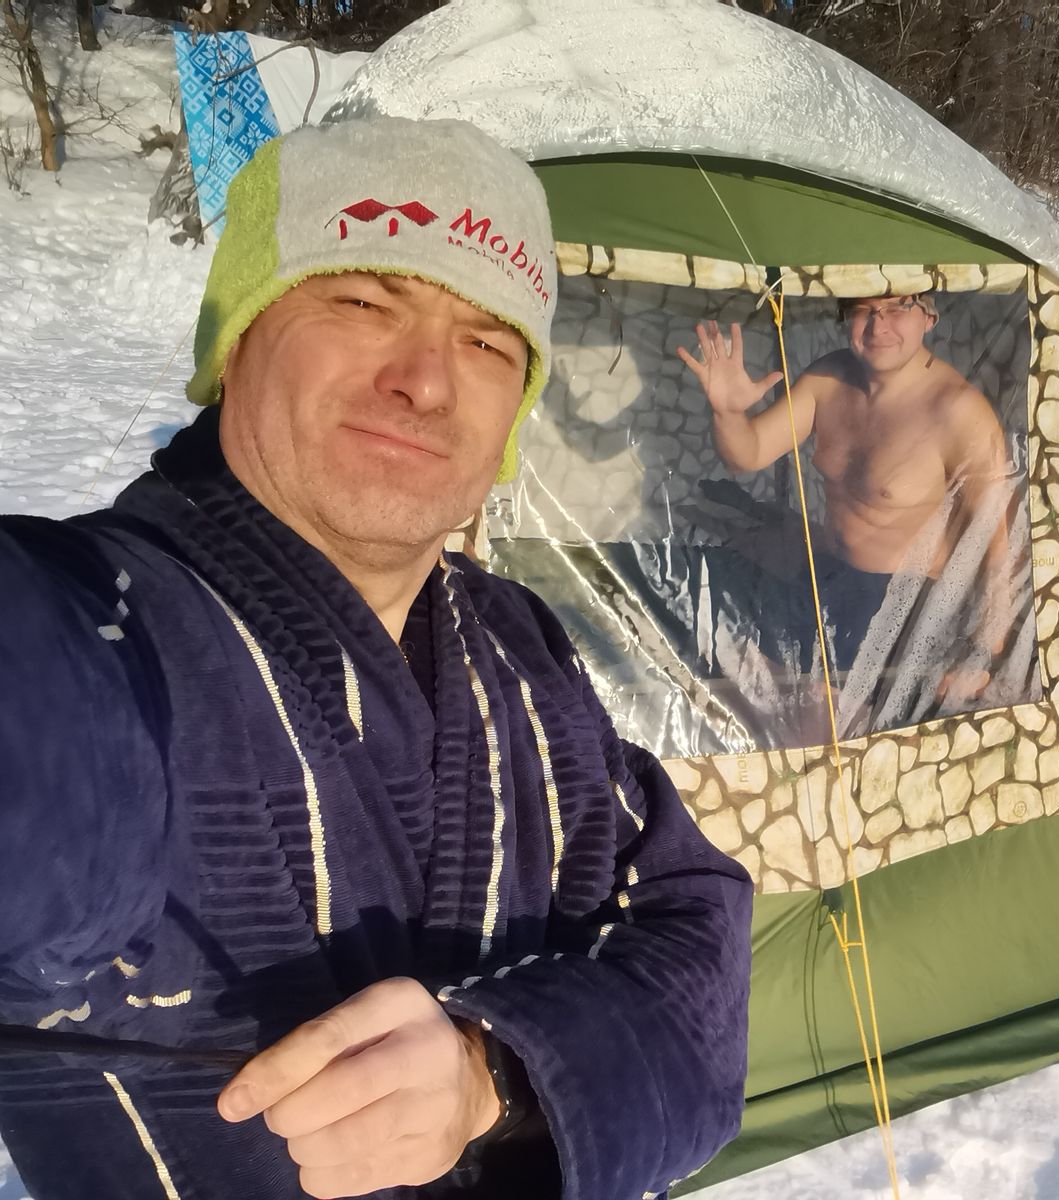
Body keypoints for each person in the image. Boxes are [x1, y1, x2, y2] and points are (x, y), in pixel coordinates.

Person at [0, 117, 751, 1200]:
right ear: (236, 342)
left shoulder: (516, 642)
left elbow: (693, 925)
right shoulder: (112, 632)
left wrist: (499, 1077)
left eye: (487, 344)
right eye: (361, 302)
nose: (426, 383)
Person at [677, 294, 1019, 703]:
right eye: (863, 310)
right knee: (692, 604)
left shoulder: (958, 411)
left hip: (901, 609)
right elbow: (747, 455)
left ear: (929, 317)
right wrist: (728, 414)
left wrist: (985, 654)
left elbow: (997, 542)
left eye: (898, 307)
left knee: (819, 718)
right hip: (827, 581)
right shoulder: (829, 378)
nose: (879, 326)